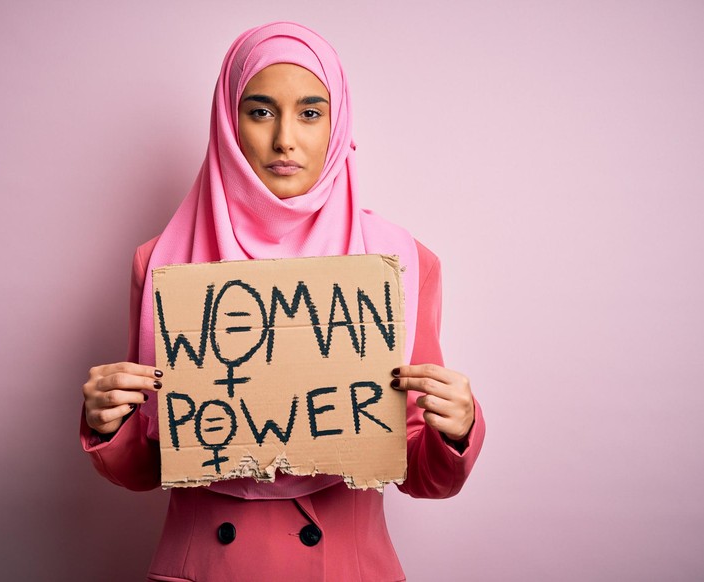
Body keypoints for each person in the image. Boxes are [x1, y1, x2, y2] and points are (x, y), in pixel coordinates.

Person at [80, 21, 485, 581]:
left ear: (338, 124)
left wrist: (456, 428)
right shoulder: (161, 261)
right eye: (262, 111)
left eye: (311, 113)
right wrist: (110, 423)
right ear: (228, 122)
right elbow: (151, 463)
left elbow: (420, 473)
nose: (285, 139)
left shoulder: (402, 260)